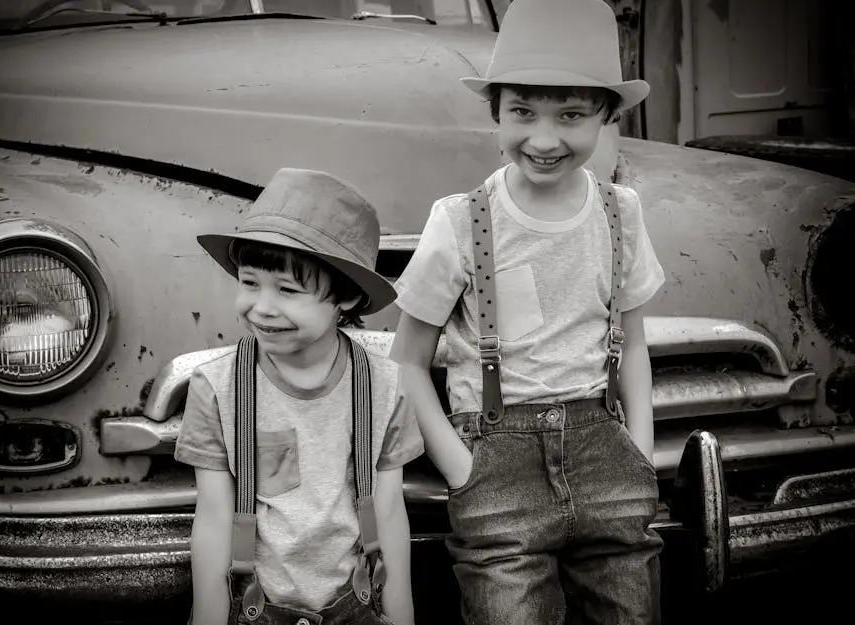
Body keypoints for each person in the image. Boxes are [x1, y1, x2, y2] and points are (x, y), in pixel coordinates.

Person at [389, 0, 666, 622]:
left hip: (608, 457)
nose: (543, 139)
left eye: (570, 114)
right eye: (522, 112)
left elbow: (636, 342)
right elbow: (406, 360)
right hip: (495, 463)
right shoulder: (461, 221)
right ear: (496, 113)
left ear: (608, 114)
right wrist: (461, 467)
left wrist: (641, 455)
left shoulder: (621, 211)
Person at [176, 167, 423, 625]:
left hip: (357, 605)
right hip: (255, 607)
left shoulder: (386, 388)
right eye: (250, 283)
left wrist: (401, 616)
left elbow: (389, 512)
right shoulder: (217, 388)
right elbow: (212, 518)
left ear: (345, 298)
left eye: (287, 290)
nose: (263, 307)